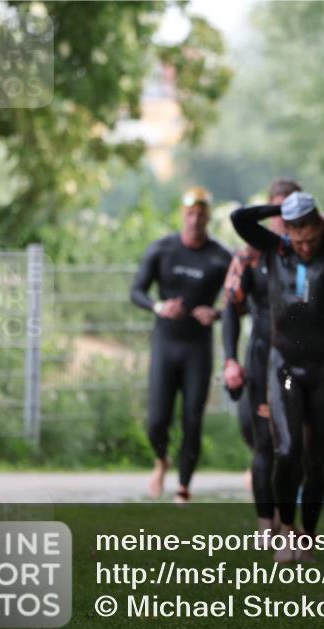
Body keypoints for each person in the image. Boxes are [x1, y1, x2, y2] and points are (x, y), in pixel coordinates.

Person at [231, 192, 324, 562]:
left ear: (320, 227)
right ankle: (286, 529)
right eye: (297, 235)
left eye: (309, 234)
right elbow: (240, 218)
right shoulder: (276, 249)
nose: (304, 245)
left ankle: (307, 536)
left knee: (315, 457)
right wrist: (284, 209)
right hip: (284, 367)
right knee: (288, 450)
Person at [130, 186, 232, 504]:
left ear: (208, 217)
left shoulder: (221, 256)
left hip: (197, 348)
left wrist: (216, 313)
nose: (195, 218)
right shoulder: (162, 249)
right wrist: (159, 307)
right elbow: (136, 291)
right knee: (157, 420)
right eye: (190, 212)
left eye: (201, 213)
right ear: (182, 214)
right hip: (166, 343)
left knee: (192, 418)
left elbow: (238, 301)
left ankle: (184, 487)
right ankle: (161, 461)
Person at [222, 179, 300, 542]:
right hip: (261, 355)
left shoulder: (306, 250)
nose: (284, 217)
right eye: (278, 209)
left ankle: (290, 522)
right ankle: (266, 527)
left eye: (291, 209)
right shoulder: (250, 253)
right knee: (264, 444)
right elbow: (231, 310)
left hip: (301, 359)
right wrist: (229, 360)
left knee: (296, 446)